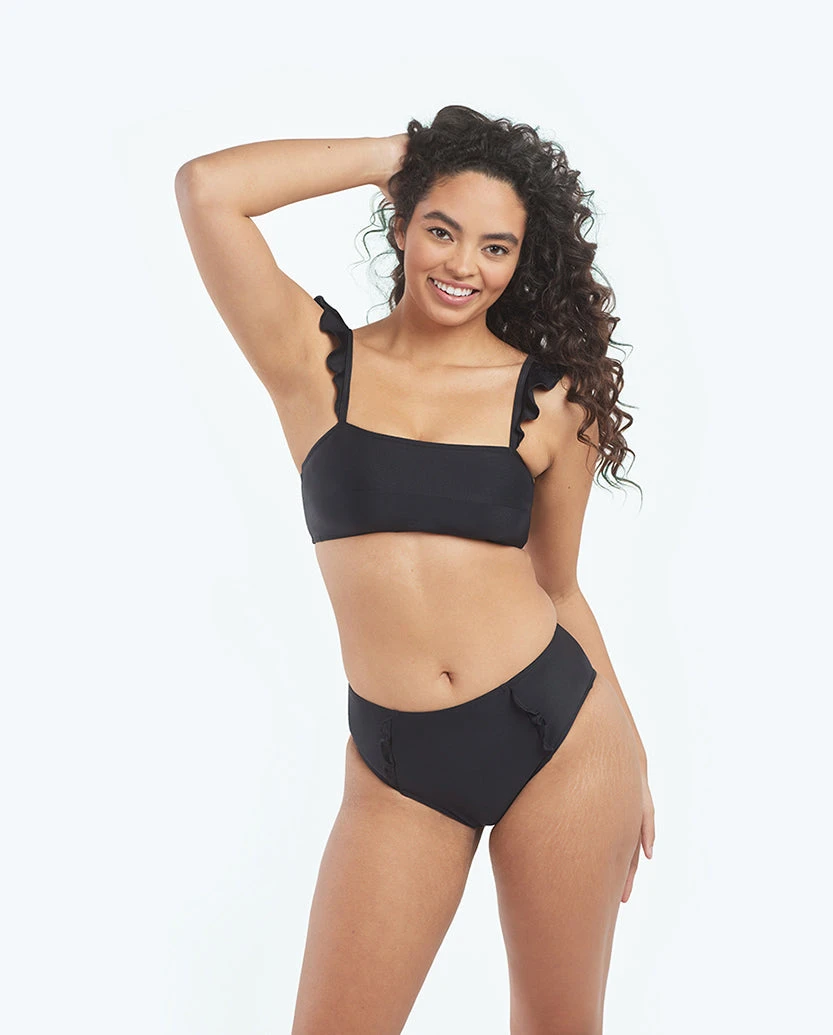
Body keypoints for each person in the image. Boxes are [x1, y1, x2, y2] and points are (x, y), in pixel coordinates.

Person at [175, 104, 655, 1035]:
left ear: (519, 260)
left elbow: (557, 586)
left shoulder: (550, 401)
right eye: (441, 229)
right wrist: (395, 154)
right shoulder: (313, 363)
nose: (463, 265)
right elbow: (206, 190)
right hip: (400, 764)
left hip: (561, 740)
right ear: (399, 222)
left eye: (495, 247)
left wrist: (628, 752)